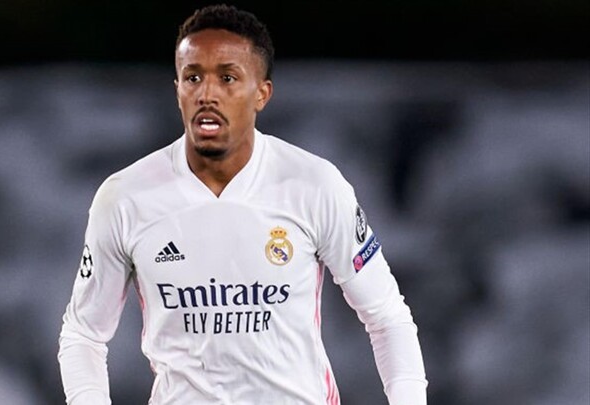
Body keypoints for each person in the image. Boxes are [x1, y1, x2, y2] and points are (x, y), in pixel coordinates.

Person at [57, 3, 428, 404]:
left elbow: (387, 317)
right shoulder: (126, 197)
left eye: (227, 78)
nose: (207, 94)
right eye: (193, 77)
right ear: (178, 89)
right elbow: (83, 334)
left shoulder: (314, 185)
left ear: (261, 94)